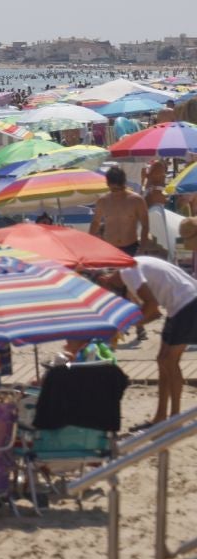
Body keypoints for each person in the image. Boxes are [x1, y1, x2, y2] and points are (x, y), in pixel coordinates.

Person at [118, 255, 197, 423]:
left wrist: (126, 326)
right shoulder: (131, 265)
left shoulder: (127, 272)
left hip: (188, 303)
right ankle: (161, 417)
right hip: (179, 304)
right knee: (162, 360)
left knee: (169, 360)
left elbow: (152, 310)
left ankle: (175, 418)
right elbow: (151, 309)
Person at [90, 166, 149, 256]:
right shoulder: (102, 201)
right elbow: (95, 223)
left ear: (124, 183)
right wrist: (89, 245)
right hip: (110, 248)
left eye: (119, 189)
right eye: (113, 189)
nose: (117, 193)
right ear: (108, 184)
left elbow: (145, 226)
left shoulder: (137, 200)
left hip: (131, 247)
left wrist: (142, 249)